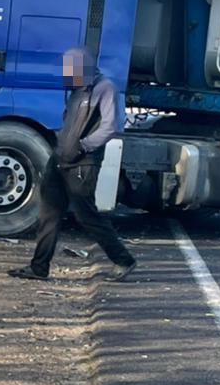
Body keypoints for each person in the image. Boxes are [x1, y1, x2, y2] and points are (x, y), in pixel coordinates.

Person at [9, 47, 137, 282]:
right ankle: (39, 267)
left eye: (71, 68)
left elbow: (109, 127)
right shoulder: (76, 90)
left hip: (83, 164)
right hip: (59, 160)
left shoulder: (104, 88)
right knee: (49, 213)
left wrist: (84, 146)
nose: (66, 74)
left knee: (87, 215)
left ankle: (123, 259)